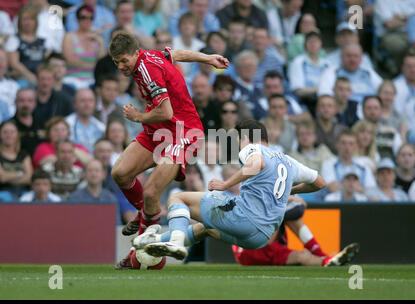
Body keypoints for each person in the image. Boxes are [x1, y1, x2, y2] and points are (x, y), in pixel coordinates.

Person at [132, 120, 357, 266]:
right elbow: (321, 182)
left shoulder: (253, 148)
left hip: (245, 219)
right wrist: (292, 189)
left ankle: (176, 242)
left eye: (237, 139)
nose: (238, 144)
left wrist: (225, 183)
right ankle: (148, 243)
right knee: (205, 229)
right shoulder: (289, 162)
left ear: (246, 137)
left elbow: (256, 163)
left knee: (178, 197)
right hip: (260, 238)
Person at [108, 32, 229, 243]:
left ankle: (145, 254)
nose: (120, 67)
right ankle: (145, 213)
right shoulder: (150, 55)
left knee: (151, 190)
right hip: (158, 129)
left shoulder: (148, 70)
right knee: (120, 173)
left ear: (136, 53)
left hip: (182, 131)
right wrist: (208, 58)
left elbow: (166, 112)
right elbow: (177, 54)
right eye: (116, 62)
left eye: (124, 61)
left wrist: (138, 116)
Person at [62, 4, 106, 89]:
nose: (87, 20)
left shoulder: (97, 39)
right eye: (83, 17)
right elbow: (70, 61)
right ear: (77, 19)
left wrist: (100, 42)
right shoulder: (69, 36)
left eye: (91, 18)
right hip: (72, 80)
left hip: (93, 81)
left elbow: (102, 62)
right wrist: (94, 66)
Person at [321, 129, 377, 195]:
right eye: (343, 143)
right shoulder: (328, 164)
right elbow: (332, 188)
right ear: (337, 145)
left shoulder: (363, 166)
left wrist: (344, 187)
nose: (347, 147)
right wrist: (359, 189)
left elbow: (372, 191)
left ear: (356, 146)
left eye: (351, 144)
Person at [68, 159, 122, 225]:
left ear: (103, 174)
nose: (93, 174)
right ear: (84, 174)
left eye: (97, 170)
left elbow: (116, 226)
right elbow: (72, 224)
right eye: (90, 170)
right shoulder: (75, 198)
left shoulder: (111, 199)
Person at [5, 5, 49, 86]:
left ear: (36, 21)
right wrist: (31, 76)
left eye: (31, 19)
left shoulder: (43, 41)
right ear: (19, 22)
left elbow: (45, 62)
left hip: (40, 77)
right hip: (20, 78)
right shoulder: (14, 40)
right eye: (25, 19)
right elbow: (14, 64)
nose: (28, 22)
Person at [65, 89, 106, 153]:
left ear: (95, 104)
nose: (87, 104)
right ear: (75, 104)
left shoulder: (101, 127)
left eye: (90, 101)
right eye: (83, 101)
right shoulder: (66, 124)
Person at [34, 64, 73, 129]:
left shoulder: (64, 100)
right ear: (37, 79)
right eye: (42, 79)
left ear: (54, 81)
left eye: (49, 79)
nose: (45, 83)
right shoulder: (28, 98)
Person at [0, 120, 33, 199]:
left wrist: (8, 176)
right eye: (5, 132)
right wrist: (20, 173)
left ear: (17, 134)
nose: (9, 135)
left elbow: (29, 178)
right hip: (3, 193)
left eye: (12, 132)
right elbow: (1, 178)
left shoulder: (24, 154)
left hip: (24, 192)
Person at [11, 88, 43, 157]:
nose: (26, 104)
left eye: (30, 101)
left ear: (35, 103)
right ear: (15, 102)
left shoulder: (43, 124)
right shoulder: (8, 126)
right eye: (22, 100)